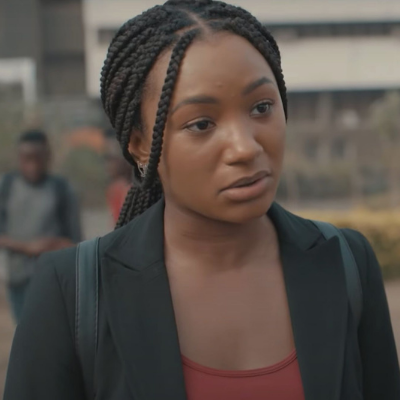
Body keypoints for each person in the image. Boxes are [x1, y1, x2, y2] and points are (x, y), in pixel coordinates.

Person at [4, 1, 400, 399]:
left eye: (261, 107)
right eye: (201, 124)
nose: (245, 147)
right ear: (140, 145)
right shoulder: (71, 293)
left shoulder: (346, 263)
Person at [0, 129, 82, 323]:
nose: (33, 165)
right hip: (18, 280)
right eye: (27, 158)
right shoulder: (7, 186)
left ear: (48, 157)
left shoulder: (61, 188)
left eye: (38, 158)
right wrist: (27, 247)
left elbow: (76, 243)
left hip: (53, 281)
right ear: (19, 158)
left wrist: (51, 245)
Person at [103, 129, 132, 224]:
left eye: (112, 159)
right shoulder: (114, 188)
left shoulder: (125, 189)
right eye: (107, 159)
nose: (108, 165)